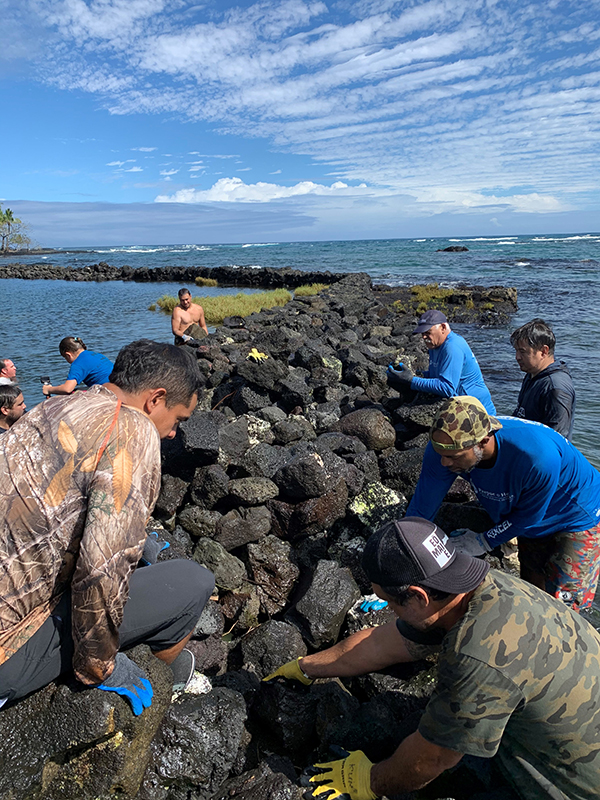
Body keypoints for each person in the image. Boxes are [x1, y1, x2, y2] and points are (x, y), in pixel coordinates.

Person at [265, 517, 600, 800]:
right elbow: (384, 643)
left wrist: (367, 781)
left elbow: (433, 759)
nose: (389, 612)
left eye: (390, 602)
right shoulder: (485, 586)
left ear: (419, 597)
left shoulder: (476, 654)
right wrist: (306, 667)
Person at [0, 339, 214, 713]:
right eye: (178, 419)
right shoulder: (134, 431)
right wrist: (100, 667)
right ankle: (165, 686)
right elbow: (102, 570)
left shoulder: (51, 407)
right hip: (9, 651)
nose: (173, 434)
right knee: (193, 582)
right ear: (155, 399)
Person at [406, 395, 600, 610]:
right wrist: (407, 555)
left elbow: (529, 516)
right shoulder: (444, 449)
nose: (444, 462)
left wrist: (483, 541)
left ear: (483, 441)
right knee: (532, 591)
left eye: (454, 457)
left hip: (576, 513)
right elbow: (423, 506)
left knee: (564, 606)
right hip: (525, 505)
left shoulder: (536, 457)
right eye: (441, 454)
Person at [387, 309, 495, 414]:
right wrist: (410, 374)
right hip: (462, 406)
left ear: (443, 327)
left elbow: (447, 388)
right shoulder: (435, 345)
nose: (424, 337)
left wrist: (411, 380)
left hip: (479, 412)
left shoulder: (452, 347)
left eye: (428, 332)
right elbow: (436, 375)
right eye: (422, 333)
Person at [511, 318, 575, 439]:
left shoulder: (555, 387)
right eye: (516, 351)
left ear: (543, 351)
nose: (517, 357)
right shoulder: (532, 375)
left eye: (522, 351)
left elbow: (558, 439)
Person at [42, 336, 113, 397]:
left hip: (109, 393)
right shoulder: (96, 354)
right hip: (118, 387)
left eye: (65, 358)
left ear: (68, 355)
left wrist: (48, 390)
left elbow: (67, 389)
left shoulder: (78, 363)